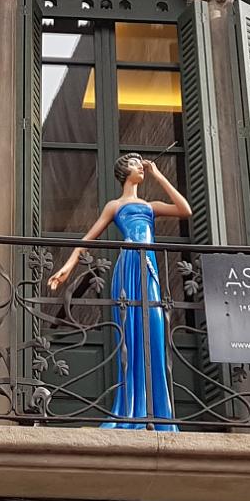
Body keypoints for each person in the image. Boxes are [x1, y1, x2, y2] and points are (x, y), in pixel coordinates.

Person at [46, 153, 194, 430]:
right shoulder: (114, 206)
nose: (141, 167)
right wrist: (67, 267)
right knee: (131, 332)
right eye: (136, 164)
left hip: (148, 268)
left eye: (141, 164)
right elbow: (88, 238)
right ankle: (131, 408)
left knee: (155, 328)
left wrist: (158, 175)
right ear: (124, 171)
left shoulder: (150, 206)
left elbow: (184, 209)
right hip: (128, 267)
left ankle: (157, 411)